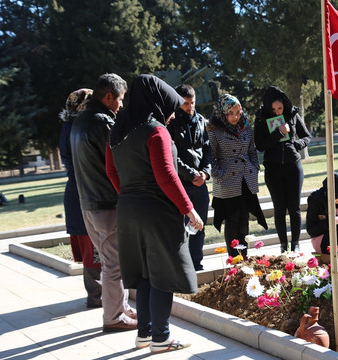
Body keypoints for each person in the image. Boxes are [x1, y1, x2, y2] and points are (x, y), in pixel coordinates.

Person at [106, 74, 204, 353]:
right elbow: (166, 176)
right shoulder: (155, 131)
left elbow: (111, 172)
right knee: (164, 273)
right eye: (170, 107)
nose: (172, 115)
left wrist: (131, 194)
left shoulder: (117, 132)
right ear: (157, 102)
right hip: (157, 211)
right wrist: (189, 209)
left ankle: (145, 335)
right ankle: (161, 338)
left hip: (128, 210)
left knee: (146, 274)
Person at [70, 73, 136, 332]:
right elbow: (119, 160)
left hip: (89, 202)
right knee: (113, 264)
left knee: (113, 261)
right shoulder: (103, 122)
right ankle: (114, 317)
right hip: (105, 203)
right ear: (108, 97)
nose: (121, 105)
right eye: (119, 100)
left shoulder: (80, 120)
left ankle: (122, 308)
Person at [208, 94, 267, 257]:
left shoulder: (245, 125)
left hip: (245, 179)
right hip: (227, 180)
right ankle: (233, 258)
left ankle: (244, 257)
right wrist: (219, 175)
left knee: (244, 220)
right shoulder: (214, 128)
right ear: (223, 112)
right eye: (231, 113)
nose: (235, 117)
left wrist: (255, 167)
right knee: (232, 221)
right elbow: (210, 156)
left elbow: (252, 150)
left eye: (238, 112)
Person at [254, 86, 311, 253]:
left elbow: (307, 136)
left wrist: (296, 144)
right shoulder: (261, 118)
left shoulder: (292, 114)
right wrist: (278, 133)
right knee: (279, 208)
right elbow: (260, 145)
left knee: (294, 208)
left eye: (280, 108)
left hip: (293, 166)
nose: (278, 112)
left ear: (284, 105)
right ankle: (283, 245)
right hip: (273, 169)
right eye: (273, 109)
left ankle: (295, 244)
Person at [59, 88, 102, 309]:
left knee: (95, 248)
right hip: (82, 193)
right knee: (92, 250)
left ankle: (100, 294)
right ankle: (96, 297)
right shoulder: (75, 129)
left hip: (81, 191)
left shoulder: (73, 127)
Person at [166, 84, 211, 271]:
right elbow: (171, 155)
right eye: (185, 104)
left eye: (192, 103)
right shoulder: (170, 122)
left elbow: (207, 149)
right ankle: (182, 268)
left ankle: (196, 264)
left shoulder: (201, 120)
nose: (189, 107)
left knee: (199, 226)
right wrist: (191, 174)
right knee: (180, 229)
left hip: (200, 182)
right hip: (181, 182)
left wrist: (206, 172)